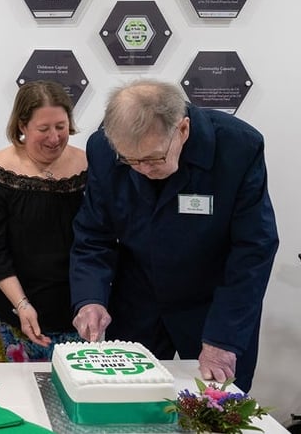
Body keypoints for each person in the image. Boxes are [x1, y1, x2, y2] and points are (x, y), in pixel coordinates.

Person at [69, 79, 278, 392]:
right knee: (127, 402)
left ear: (182, 129)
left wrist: (224, 338)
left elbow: (253, 250)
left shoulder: (238, 147)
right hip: (137, 301)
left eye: (153, 158)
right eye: (131, 160)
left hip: (214, 306)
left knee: (216, 405)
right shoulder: (104, 149)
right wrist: (90, 299)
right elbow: (92, 235)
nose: (143, 169)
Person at [0, 80, 87, 362]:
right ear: (22, 126)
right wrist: (22, 304)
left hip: (74, 310)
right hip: (11, 311)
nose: (54, 138)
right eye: (44, 129)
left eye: (61, 127)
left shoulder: (89, 166)